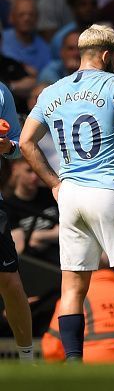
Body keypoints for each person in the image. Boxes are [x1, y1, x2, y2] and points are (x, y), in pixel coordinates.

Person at [19, 24, 114, 364]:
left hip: (70, 196)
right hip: (107, 189)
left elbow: (25, 142)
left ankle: (74, 366)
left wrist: (52, 183)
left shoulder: (51, 91)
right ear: (108, 56)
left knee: (73, 288)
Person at [0, 81, 34, 362]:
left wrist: (6, 144)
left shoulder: (1, 92)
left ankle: (26, 358)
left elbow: (17, 147)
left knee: (10, 282)